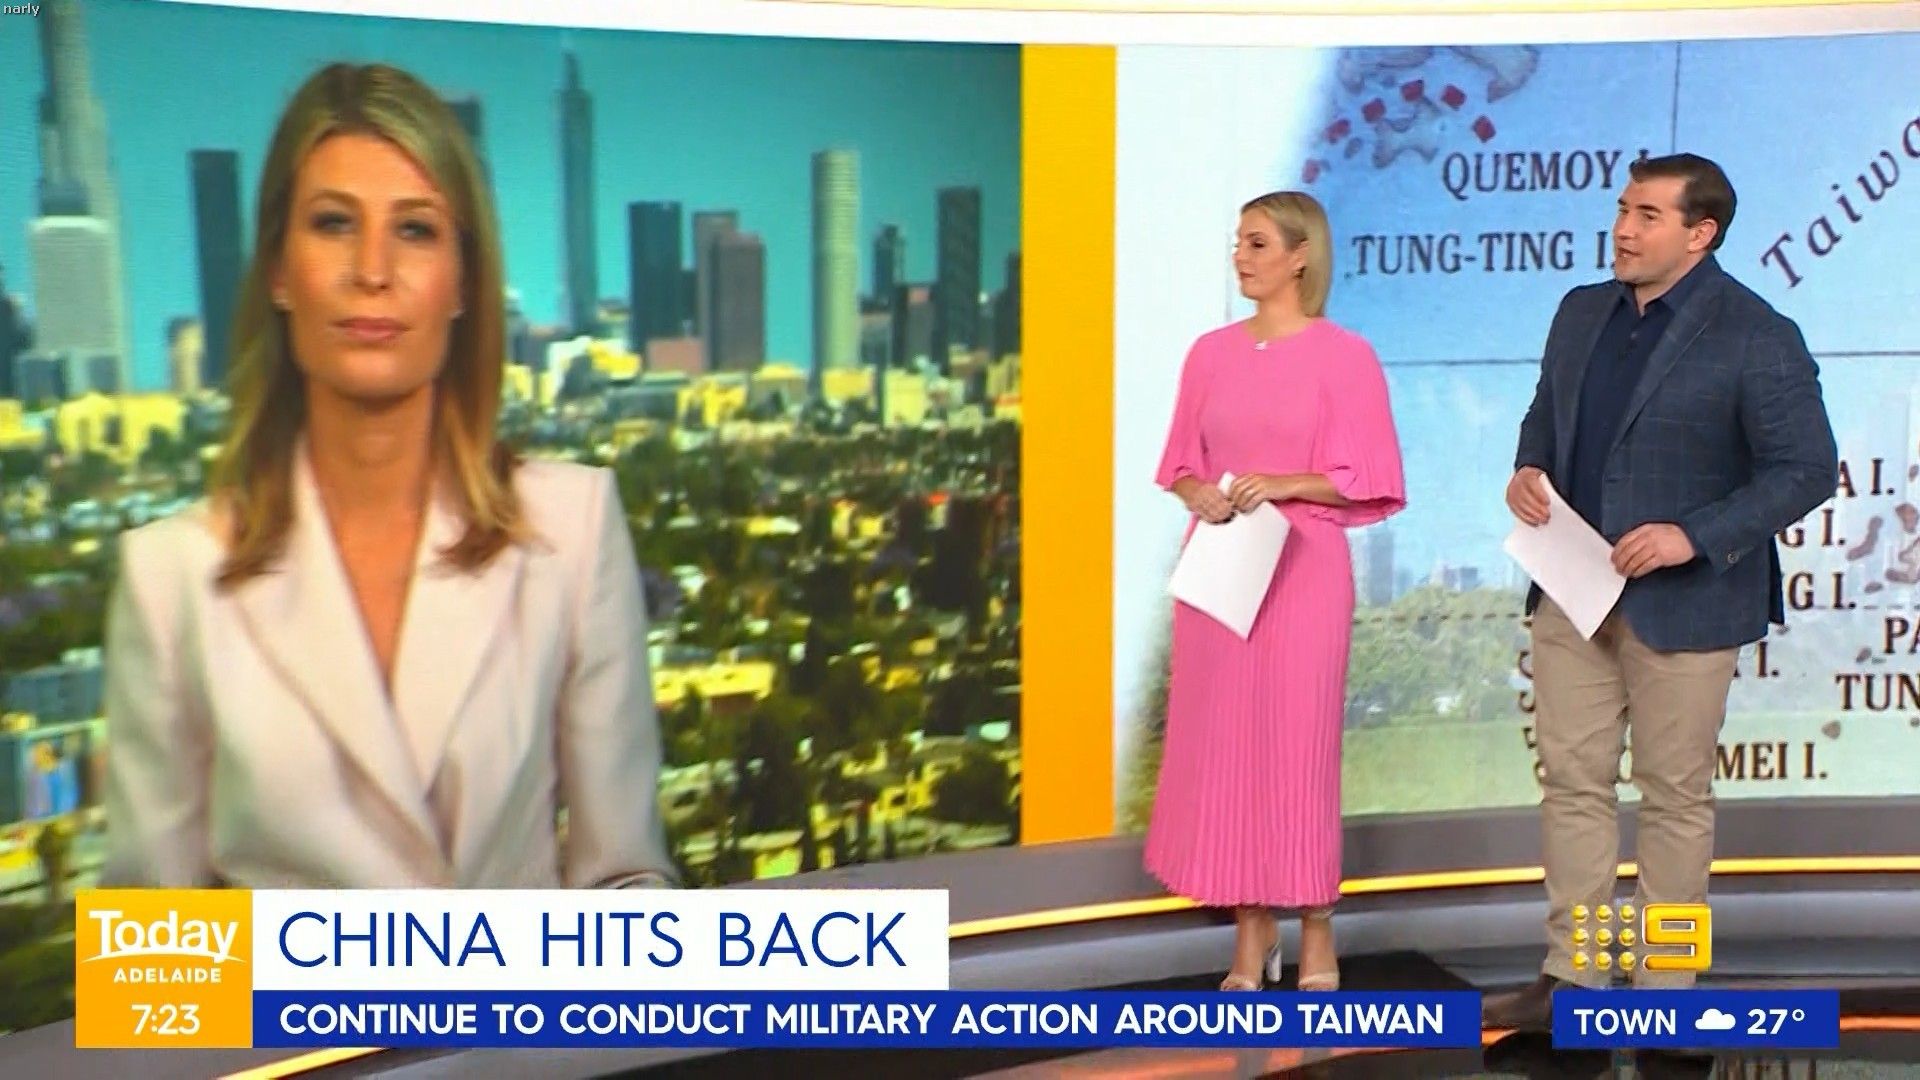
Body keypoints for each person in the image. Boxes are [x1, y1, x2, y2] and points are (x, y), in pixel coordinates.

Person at [100, 62, 674, 890]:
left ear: (464, 282)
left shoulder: (574, 530)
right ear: (279, 271)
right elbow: (156, 954)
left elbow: (624, 884)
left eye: (415, 230)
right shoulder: (170, 577)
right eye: (334, 223)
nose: (373, 269)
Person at [1484, 153, 1836, 1028]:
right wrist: (1528, 466)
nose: (1623, 230)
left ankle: (1667, 994)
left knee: (1675, 799)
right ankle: (1575, 977)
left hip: (1688, 605)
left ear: (1699, 233)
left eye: (1647, 216)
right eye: (1622, 210)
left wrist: (1693, 536)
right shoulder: (1580, 312)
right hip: (1572, 592)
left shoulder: (1757, 332)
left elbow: (1805, 469)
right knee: (1573, 786)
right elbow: (1545, 411)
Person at [1146, 191, 1407, 991]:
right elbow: (1178, 463)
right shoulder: (1208, 354)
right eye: (1238, 242)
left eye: (1257, 243)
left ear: (1301, 256)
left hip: (1303, 571)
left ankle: (1317, 928)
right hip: (1220, 572)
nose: (1241, 256)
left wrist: (1287, 482)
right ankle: (1251, 930)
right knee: (1226, 753)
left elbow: (1372, 476)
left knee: (1299, 751)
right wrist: (1198, 492)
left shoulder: (1345, 357)